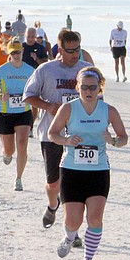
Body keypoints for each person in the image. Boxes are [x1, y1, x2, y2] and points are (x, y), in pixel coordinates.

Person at [47, 67, 128, 260]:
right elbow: (52, 133)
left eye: (93, 88)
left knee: (95, 218)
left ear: (100, 88)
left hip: (98, 170)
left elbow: (123, 138)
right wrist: (66, 140)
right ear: (78, 87)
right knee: (72, 221)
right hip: (71, 170)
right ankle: (69, 237)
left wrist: (113, 141)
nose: (88, 91)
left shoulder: (109, 111)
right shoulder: (68, 109)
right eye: (84, 87)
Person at [23, 30, 92, 231]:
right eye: (70, 51)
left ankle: (72, 231)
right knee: (54, 184)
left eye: (77, 50)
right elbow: (28, 95)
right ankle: (53, 205)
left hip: (80, 134)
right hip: (51, 134)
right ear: (59, 50)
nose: (75, 54)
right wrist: (49, 106)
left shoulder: (86, 70)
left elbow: (98, 98)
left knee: (73, 185)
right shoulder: (46, 70)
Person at [0, 38, 36, 191]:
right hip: (4, 113)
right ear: (9, 53)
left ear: (23, 51)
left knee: (22, 144)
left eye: (18, 52)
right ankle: (6, 153)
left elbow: (37, 88)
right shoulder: (2, 70)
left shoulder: (30, 70)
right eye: (13, 53)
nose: (16, 55)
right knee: (10, 150)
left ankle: (18, 178)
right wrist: (0, 97)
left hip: (23, 112)